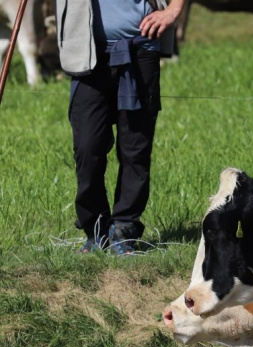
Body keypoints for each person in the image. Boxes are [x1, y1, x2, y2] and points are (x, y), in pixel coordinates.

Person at [54, 0, 185, 254]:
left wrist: (173, 10)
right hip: (87, 52)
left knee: (135, 148)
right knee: (87, 148)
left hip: (140, 48)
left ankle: (125, 230)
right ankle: (96, 230)